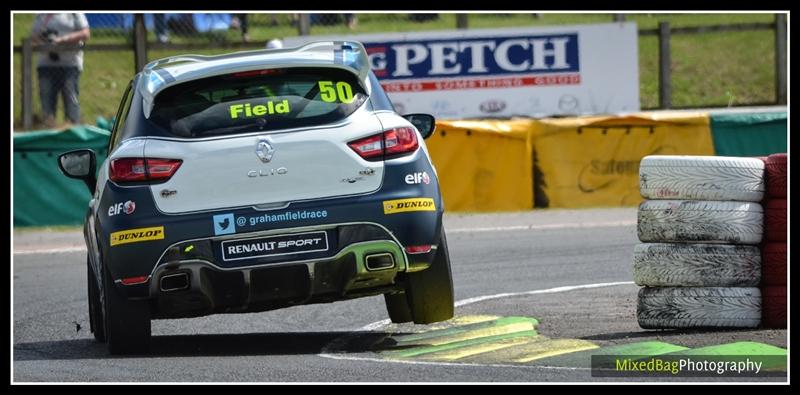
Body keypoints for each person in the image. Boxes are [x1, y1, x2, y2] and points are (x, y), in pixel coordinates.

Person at [30, 13, 90, 127]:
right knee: (46, 101)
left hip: (70, 64)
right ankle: (48, 128)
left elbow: (86, 33)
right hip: (45, 65)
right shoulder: (41, 15)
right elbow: (33, 35)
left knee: (71, 99)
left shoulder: (75, 14)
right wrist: (47, 44)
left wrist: (62, 40)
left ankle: (73, 128)